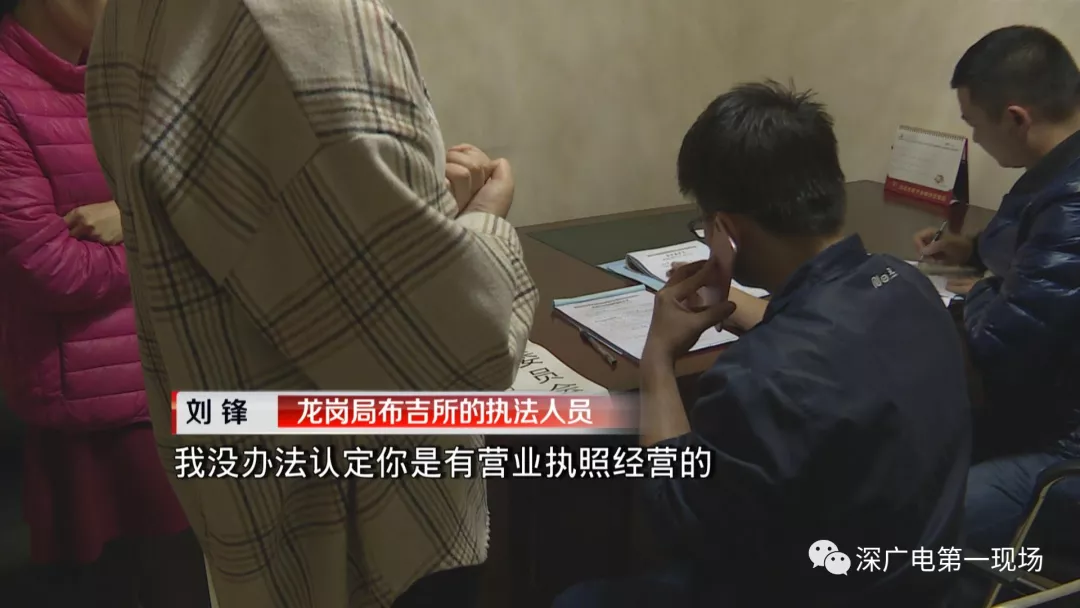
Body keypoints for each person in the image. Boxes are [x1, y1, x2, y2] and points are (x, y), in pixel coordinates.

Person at [84, 0, 538, 607]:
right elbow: (456, 363)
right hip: (371, 541)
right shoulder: (293, 27)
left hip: (255, 506)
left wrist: (411, 226)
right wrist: (485, 223)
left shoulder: (130, 16)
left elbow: (273, 249)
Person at [555, 82, 972, 607]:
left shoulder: (758, 376)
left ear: (726, 230)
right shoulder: (906, 284)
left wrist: (658, 357)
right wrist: (742, 309)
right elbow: (833, 339)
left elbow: (675, 517)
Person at [0, 1, 210, 607]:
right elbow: (49, 267)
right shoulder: (9, 94)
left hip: (175, 376)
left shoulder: (121, 72)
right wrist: (159, 236)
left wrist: (134, 219)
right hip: (96, 409)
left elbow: (197, 195)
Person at [912, 26, 1080, 554]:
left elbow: (998, 346)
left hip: (1062, 449)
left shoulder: (1073, 202)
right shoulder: (1059, 170)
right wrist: (974, 249)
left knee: (913, 519)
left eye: (974, 125)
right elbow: (1031, 244)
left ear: (1015, 118)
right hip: (1040, 409)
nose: (977, 141)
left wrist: (981, 287)